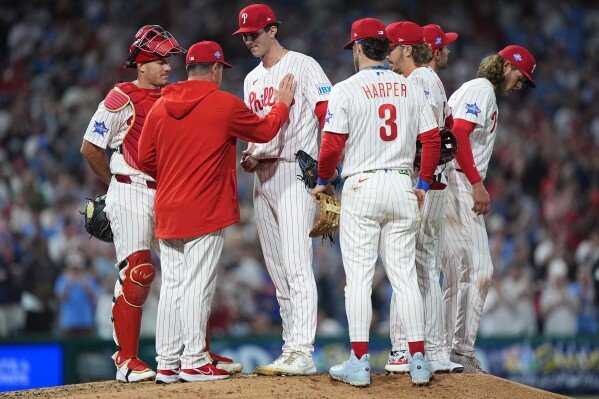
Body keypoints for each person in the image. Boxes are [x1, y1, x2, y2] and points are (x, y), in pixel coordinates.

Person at [137, 40, 296, 383]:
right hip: (206, 208)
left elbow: (145, 159)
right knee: (197, 284)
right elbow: (266, 130)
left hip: (167, 207)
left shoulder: (160, 106)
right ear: (214, 69)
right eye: (221, 69)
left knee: (174, 285)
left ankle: (167, 362)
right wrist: (282, 105)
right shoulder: (223, 104)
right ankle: (194, 360)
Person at [312, 17, 441, 387]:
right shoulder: (409, 86)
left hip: (362, 185)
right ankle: (418, 360)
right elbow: (431, 141)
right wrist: (422, 185)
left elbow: (332, 145)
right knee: (404, 278)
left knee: (358, 281)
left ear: (357, 47)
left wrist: (322, 181)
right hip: (402, 184)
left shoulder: (346, 89)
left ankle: (359, 361)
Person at [80, 24, 186, 383]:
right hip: (131, 187)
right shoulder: (120, 97)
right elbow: (90, 147)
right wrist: (114, 189)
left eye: (170, 60)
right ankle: (126, 360)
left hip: (169, 190)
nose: (169, 66)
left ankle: (193, 353)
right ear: (142, 64)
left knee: (187, 273)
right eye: (161, 60)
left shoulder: (176, 95)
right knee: (139, 272)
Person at [232, 3, 331, 375]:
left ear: (273, 30)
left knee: (296, 264)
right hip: (263, 177)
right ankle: (290, 347)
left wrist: (327, 171)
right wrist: (252, 153)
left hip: (295, 172)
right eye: (243, 35)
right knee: (277, 270)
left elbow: (327, 112)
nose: (248, 40)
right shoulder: (251, 78)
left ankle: (303, 351)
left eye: (254, 33)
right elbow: (256, 128)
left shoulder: (304, 65)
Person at [441, 44, 537, 372]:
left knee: (458, 272)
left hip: (449, 179)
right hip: (457, 180)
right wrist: (475, 183)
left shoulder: (476, 90)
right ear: (506, 66)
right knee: (480, 271)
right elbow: (459, 134)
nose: (520, 85)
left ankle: (445, 348)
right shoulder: (481, 89)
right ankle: (460, 351)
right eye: (520, 77)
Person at [385, 21, 462, 373]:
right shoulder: (430, 80)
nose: (386, 53)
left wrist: (422, 178)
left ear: (408, 49)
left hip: (423, 183)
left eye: (391, 47)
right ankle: (435, 350)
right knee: (427, 269)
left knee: (408, 267)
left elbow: (429, 137)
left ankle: (404, 348)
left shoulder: (418, 81)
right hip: (434, 182)